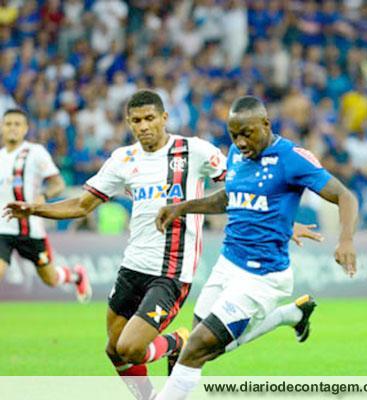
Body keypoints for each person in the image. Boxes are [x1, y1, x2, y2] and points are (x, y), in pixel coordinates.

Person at [4, 90, 226, 400]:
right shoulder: (123, 159)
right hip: (132, 266)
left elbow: (237, 186)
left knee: (131, 348)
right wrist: (36, 208)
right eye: (136, 121)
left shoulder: (195, 150)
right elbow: (82, 205)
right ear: (128, 123)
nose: (143, 126)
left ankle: (179, 342)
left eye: (149, 118)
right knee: (114, 350)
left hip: (171, 272)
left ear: (164, 118)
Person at [154, 95, 359, 400]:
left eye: (246, 134)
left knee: (195, 348)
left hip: (261, 277)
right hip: (227, 263)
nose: (240, 142)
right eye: (234, 135)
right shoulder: (237, 155)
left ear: (266, 124)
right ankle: (289, 315)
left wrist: (346, 239)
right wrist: (183, 207)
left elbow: (345, 196)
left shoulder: (291, 158)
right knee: (204, 348)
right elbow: (231, 197)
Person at [0, 108, 91, 302]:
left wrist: (43, 196)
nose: (12, 128)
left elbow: (58, 184)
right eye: (8, 124)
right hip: (3, 228)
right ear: (2, 127)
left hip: (31, 229)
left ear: (25, 128)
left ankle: (76, 276)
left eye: (17, 124)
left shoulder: (35, 152)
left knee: (51, 279)